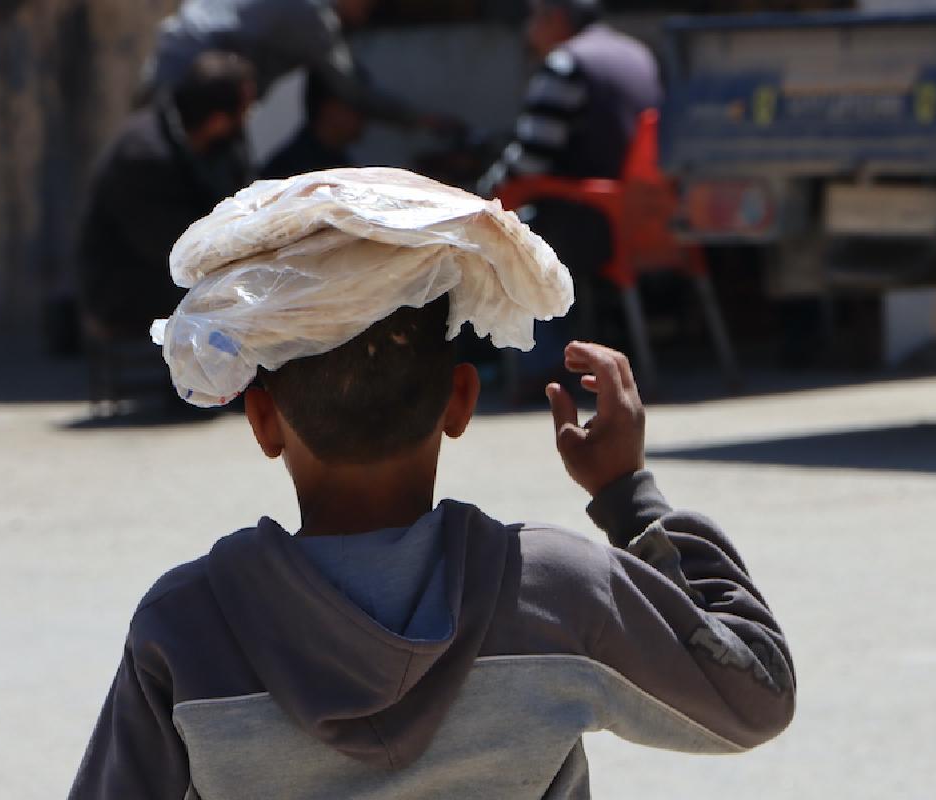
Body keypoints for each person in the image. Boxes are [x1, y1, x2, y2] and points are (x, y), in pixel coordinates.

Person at [69, 179, 795, 797]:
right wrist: (627, 496)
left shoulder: (186, 627)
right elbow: (754, 693)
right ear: (460, 402)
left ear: (262, 419)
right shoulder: (555, 594)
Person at [479, 0, 662, 395]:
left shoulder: (565, 64)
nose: (528, 30)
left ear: (556, 18)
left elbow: (530, 160)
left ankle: (539, 366)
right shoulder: (638, 53)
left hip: (591, 223)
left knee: (508, 234)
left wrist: (482, 195)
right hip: (651, 218)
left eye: (533, 17)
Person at [77, 51, 256, 340]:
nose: (247, 119)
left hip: (174, 267)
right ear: (217, 119)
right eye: (243, 110)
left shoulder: (223, 148)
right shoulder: (143, 154)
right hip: (129, 282)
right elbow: (172, 246)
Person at [143, 0, 457, 134]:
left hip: (169, 52)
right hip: (193, 77)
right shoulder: (313, 20)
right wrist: (418, 120)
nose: (367, 12)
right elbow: (352, 90)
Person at [259, 70, 366, 179]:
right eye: (354, 104)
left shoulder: (341, 164)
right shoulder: (289, 171)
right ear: (328, 107)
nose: (363, 113)